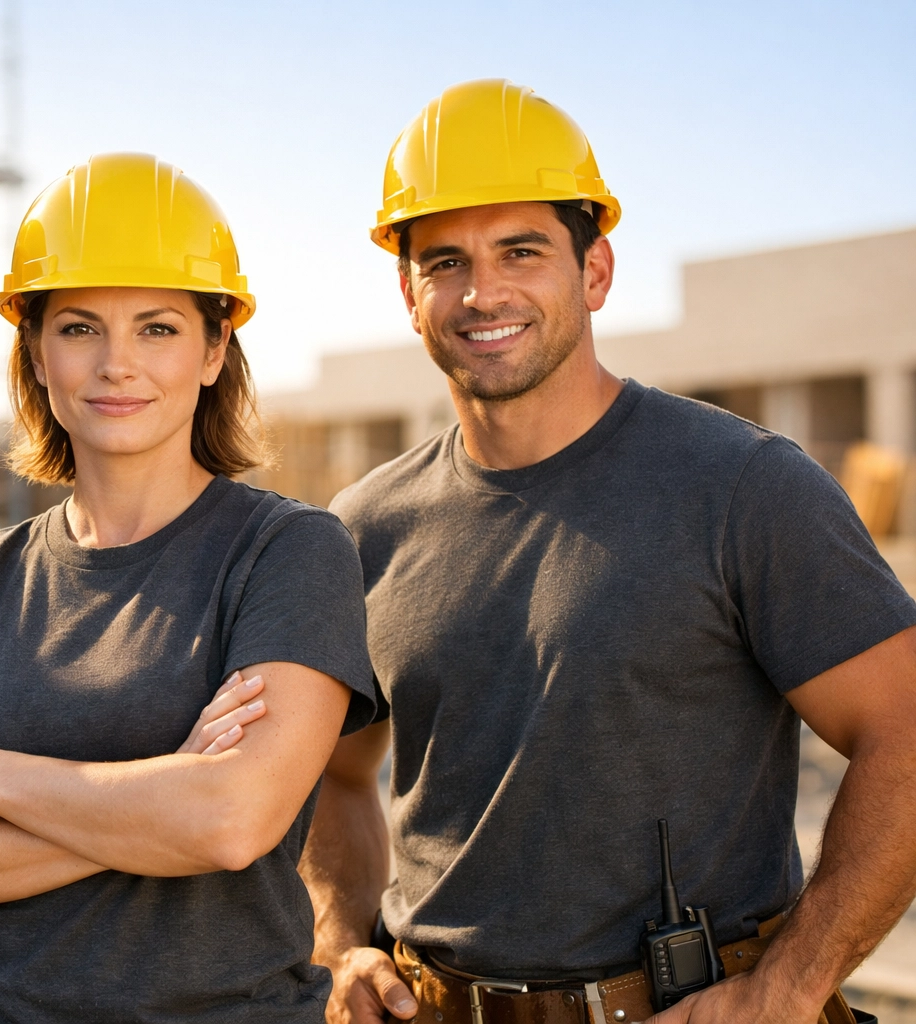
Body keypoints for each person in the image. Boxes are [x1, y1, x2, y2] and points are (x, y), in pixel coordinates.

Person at [303, 78, 916, 1024]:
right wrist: (341, 945)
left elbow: (906, 732)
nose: (483, 292)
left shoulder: (742, 487)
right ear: (408, 293)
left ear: (595, 272)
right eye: (445, 261)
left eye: (522, 251)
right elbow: (338, 776)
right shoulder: (362, 527)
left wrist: (789, 987)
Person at [0, 152, 378, 1023]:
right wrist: (160, 798)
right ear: (37, 356)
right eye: (80, 327)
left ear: (214, 351)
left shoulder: (289, 553)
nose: (116, 364)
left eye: (158, 328)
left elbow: (231, 823)